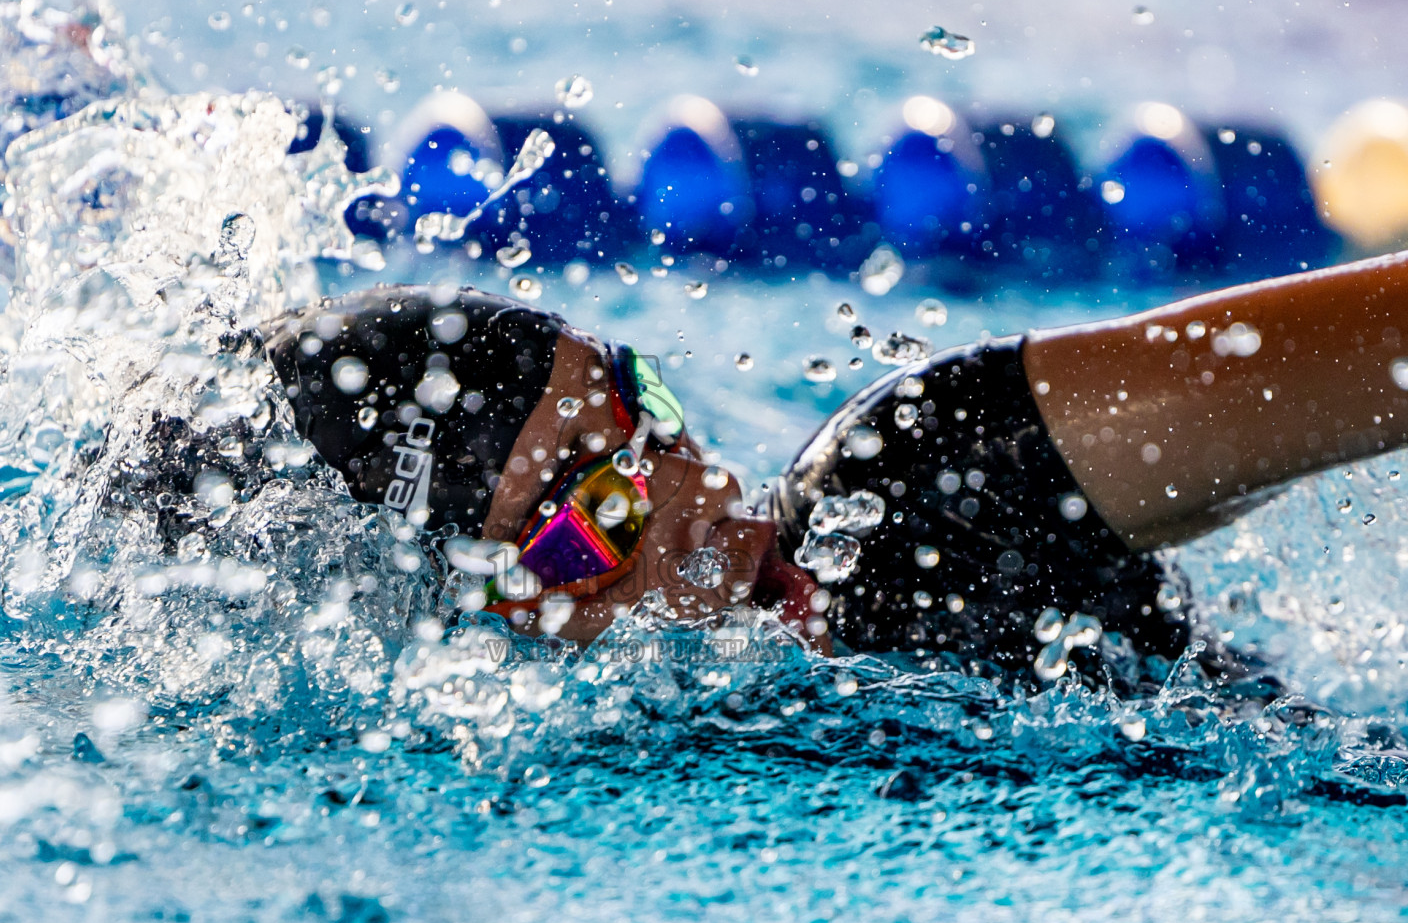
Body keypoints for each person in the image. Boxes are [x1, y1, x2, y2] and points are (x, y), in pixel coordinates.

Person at [262, 250, 1408, 684]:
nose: (690, 490)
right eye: (592, 503)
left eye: (640, 407)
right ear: (478, 607)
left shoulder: (921, 476)